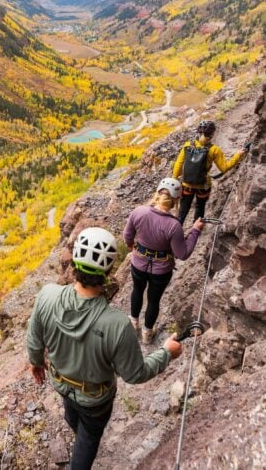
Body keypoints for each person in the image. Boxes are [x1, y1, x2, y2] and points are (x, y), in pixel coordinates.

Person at [27, 227, 182, 470]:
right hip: (95, 399)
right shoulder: (117, 325)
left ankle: (79, 434)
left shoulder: (47, 295)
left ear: (75, 263)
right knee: (88, 437)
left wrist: (36, 362)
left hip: (60, 383)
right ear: (109, 271)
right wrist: (166, 353)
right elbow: (135, 374)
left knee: (73, 416)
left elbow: (34, 340)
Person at [123, 178, 204, 344]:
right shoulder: (174, 226)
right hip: (161, 270)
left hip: (138, 263)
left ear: (158, 194)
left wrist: (134, 249)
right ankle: (147, 334)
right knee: (153, 300)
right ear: (175, 201)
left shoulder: (139, 212)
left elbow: (127, 237)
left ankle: (133, 323)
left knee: (137, 291)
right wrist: (195, 231)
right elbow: (182, 254)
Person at [173, 120, 247, 224]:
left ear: (198, 132)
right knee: (200, 207)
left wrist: (175, 179)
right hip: (203, 186)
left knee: (183, 210)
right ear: (212, 134)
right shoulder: (214, 150)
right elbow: (224, 168)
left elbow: (178, 165)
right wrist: (238, 155)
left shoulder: (187, 145)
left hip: (186, 185)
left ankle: (176, 231)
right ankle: (196, 230)